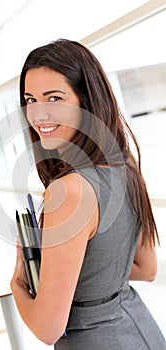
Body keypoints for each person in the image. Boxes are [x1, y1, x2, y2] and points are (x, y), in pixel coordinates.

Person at [11, 38, 166, 349]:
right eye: (30, 100)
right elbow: (145, 268)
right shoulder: (125, 168)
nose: (39, 115)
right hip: (141, 331)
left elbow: (48, 328)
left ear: (86, 101)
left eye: (53, 99)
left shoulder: (68, 191)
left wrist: (18, 280)